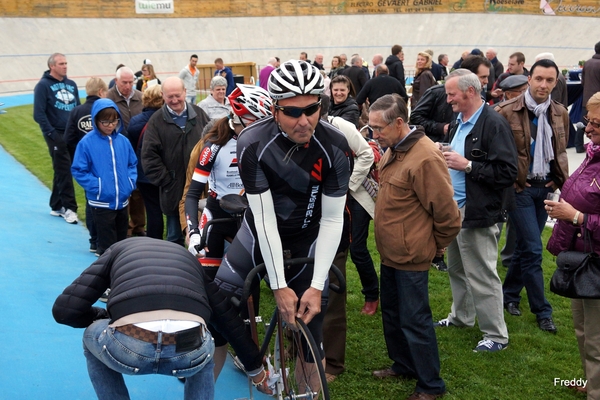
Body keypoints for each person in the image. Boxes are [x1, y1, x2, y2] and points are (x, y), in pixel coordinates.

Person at [213, 59, 353, 394]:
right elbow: (263, 221)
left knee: (311, 331)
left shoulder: (334, 145)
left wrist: (317, 286)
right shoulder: (253, 143)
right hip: (257, 234)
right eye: (292, 112)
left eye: (312, 109)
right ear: (274, 110)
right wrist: (278, 286)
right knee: (220, 314)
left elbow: (333, 219)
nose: (304, 121)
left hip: (308, 236)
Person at [52, 237, 269, 400]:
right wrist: (256, 370)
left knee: (91, 336)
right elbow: (228, 320)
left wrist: (104, 317)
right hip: (187, 346)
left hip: (131, 341)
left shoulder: (117, 250)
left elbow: (65, 311)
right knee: (205, 353)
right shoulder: (190, 261)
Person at [370, 94, 461, 400]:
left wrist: (436, 247)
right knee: (394, 315)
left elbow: (448, 215)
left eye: (378, 128)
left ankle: (430, 385)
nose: (374, 135)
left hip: (411, 256)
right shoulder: (393, 149)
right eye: (370, 128)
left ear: (399, 123)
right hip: (391, 253)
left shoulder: (424, 157)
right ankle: (404, 364)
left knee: (415, 320)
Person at [435, 70, 517, 353]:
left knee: (482, 274)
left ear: (470, 92)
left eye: (452, 94)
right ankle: (461, 318)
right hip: (456, 210)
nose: (448, 100)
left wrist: (467, 165)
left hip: (478, 211)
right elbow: (460, 156)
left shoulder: (494, 123)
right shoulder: (460, 121)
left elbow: (508, 172)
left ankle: (497, 335)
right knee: (457, 269)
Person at [495, 59, 570, 333]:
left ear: (555, 82)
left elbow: (560, 150)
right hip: (520, 190)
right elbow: (498, 152)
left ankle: (510, 295)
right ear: (529, 78)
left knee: (526, 248)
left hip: (546, 188)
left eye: (550, 80)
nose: (544, 85)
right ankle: (543, 311)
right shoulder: (505, 111)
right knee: (534, 249)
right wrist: (514, 179)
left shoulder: (559, 112)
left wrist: (558, 178)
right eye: (539, 79)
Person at [545, 92, 600, 400]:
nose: (588, 129)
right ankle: (593, 383)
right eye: (588, 120)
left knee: (596, 337)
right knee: (583, 331)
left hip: (596, 261)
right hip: (583, 259)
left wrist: (577, 216)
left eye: (596, 123)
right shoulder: (594, 154)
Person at [318, 94, 375, 382]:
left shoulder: (339, 132)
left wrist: (348, 188)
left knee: (333, 290)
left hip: (336, 222)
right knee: (297, 286)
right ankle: (297, 346)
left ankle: (333, 363)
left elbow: (366, 154)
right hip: (301, 227)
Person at [185, 84, 273, 263]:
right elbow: (193, 194)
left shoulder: (263, 142)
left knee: (248, 284)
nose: (262, 130)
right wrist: (193, 232)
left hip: (249, 217)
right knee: (209, 282)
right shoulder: (214, 146)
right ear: (240, 118)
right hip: (216, 217)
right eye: (257, 123)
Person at [141, 77, 210, 246]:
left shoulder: (199, 114)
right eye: (169, 96)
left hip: (200, 188)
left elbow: (212, 144)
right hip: (173, 192)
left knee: (205, 235)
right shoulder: (156, 121)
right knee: (174, 238)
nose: (174, 100)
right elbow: (148, 157)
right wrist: (167, 180)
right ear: (162, 96)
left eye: (177, 95)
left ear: (185, 92)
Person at [71, 99, 137, 256]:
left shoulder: (123, 141)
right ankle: (105, 276)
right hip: (100, 203)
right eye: (105, 122)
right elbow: (79, 170)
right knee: (106, 249)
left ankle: (118, 275)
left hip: (122, 202)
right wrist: (98, 187)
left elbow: (132, 164)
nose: (110, 125)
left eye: (113, 121)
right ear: (96, 120)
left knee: (121, 245)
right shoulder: (86, 143)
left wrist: (129, 183)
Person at [33, 52, 80, 224]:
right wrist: (52, 133)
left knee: (64, 169)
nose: (65, 66)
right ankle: (70, 208)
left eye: (66, 63)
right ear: (52, 66)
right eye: (61, 63)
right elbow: (38, 113)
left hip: (71, 133)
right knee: (64, 169)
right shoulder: (43, 86)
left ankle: (56, 205)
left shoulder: (72, 85)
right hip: (55, 134)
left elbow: (77, 109)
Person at [64, 77, 108, 252]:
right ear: (100, 92)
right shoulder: (105, 110)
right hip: (104, 161)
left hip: (86, 163)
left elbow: (68, 139)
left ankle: (94, 239)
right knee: (106, 199)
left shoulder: (76, 111)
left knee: (91, 199)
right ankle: (104, 240)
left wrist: (79, 154)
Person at [107, 66, 146, 238]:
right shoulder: (109, 98)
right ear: (116, 81)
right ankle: (122, 228)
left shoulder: (140, 97)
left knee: (137, 191)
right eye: (125, 82)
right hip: (116, 151)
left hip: (137, 151)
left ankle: (138, 226)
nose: (128, 86)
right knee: (121, 190)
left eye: (131, 82)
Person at [127, 84, 165, 240]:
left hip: (144, 172)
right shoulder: (167, 120)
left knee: (152, 208)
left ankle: (154, 239)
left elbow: (133, 147)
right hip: (165, 170)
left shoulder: (136, 122)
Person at [579, 42, 600, 153]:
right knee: (596, 125)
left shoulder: (587, 63)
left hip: (587, 97)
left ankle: (578, 145)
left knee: (584, 122)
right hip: (597, 101)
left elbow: (583, 81)